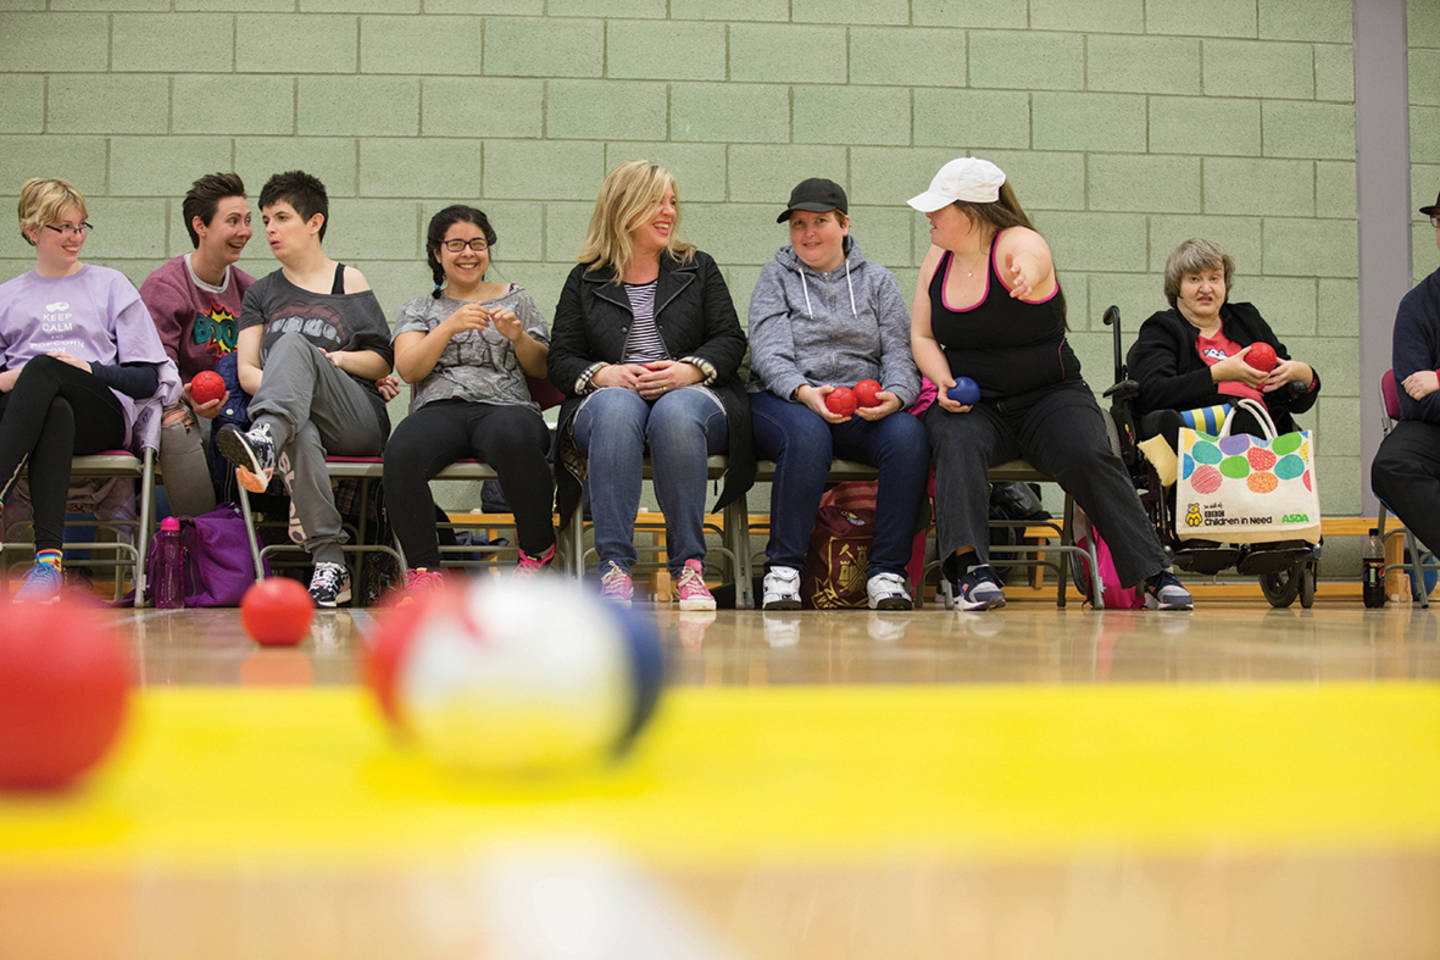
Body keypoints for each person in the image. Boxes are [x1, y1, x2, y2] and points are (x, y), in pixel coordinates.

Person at [907, 157, 1192, 611]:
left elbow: (1033, 255)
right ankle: (971, 571)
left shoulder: (1018, 242)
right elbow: (921, 335)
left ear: (973, 211)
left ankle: (1155, 573)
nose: (929, 216)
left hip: (1049, 397)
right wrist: (942, 381)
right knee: (953, 441)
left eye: (939, 208)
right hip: (976, 407)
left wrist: (1028, 272)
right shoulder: (936, 259)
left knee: (1089, 453)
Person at [548, 160, 752, 610]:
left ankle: (689, 570)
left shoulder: (697, 267)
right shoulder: (585, 278)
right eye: (655, 202)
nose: (668, 212)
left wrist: (689, 370)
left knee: (675, 412)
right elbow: (560, 358)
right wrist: (606, 375)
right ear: (623, 208)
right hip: (610, 402)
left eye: (672, 202)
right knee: (617, 407)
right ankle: (615, 570)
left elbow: (730, 340)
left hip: (692, 396)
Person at [747, 177, 926, 610]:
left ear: (844, 224)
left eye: (820, 221)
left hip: (859, 404)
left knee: (908, 437)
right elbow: (768, 352)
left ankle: (886, 573)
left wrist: (897, 395)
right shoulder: (776, 278)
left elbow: (900, 352)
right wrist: (804, 391)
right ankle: (784, 572)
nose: (808, 233)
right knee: (808, 437)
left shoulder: (878, 282)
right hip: (786, 399)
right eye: (798, 224)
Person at [216, 171, 394, 607]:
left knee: (294, 346)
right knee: (301, 430)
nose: (270, 229)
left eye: (282, 217)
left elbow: (382, 361)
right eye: (266, 219)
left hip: (355, 416)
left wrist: (331, 362)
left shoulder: (347, 280)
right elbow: (247, 372)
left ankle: (262, 443)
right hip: (296, 419)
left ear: (314, 222)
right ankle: (330, 564)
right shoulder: (261, 293)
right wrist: (297, 392)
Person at [0, 177, 179, 602]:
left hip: (100, 413)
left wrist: (88, 367)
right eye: (62, 227)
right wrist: (23, 377)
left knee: (49, 370)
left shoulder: (110, 285)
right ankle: (48, 564)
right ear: (32, 230)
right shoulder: (7, 297)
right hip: (37, 416)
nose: (74, 237)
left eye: (80, 226)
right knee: (53, 405)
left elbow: (146, 378)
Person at [384, 205, 555, 594]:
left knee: (515, 438)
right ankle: (424, 570)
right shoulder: (420, 307)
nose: (468, 253)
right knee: (401, 452)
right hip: (442, 409)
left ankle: (536, 550)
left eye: (477, 244)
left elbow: (542, 368)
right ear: (437, 252)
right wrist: (447, 326)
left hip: (505, 406)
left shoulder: (517, 299)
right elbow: (409, 369)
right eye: (456, 244)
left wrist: (518, 337)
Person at [139, 172, 254, 517]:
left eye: (248, 221)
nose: (245, 231)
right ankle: (206, 537)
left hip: (236, 408)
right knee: (178, 425)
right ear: (200, 226)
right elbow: (156, 370)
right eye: (232, 221)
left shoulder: (252, 291)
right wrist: (186, 397)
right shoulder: (165, 286)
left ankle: (250, 536)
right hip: (184, 408)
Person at [1128, 238, 1320, 443]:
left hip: (1263, 427)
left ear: (1225, 284)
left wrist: (1305, 375)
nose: (1206, 288)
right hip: (1197, 437)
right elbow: (1151, 394)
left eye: (1214, 278)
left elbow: (1295, 402)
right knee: (1243, 415)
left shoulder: (1246, 319)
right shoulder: (1162, 328)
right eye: (1194, 279)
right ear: (1178, 287)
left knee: (1254, 417)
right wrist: (1216, 374)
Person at [1371, 189, 1440, 554]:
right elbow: (1415, 397)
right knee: (1392, 465)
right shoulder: (1418, 304)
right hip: (1433, 427)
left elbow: (1431, 385)